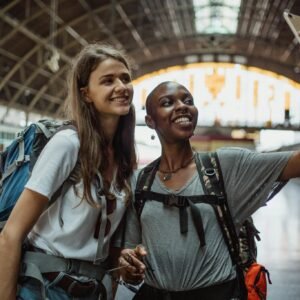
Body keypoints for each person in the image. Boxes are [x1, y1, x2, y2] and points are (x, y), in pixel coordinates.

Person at [117, 81, 300, 300]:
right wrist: (129, 268)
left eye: (188, 101)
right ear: (150, 121)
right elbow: (129, 257)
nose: (182, 106)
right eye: (167, 102)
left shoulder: (226, 166)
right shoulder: (138, 183)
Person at [0, 43, 136, 300]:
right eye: (108, 81)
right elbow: (11, 235)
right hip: (44, 288)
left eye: (125, 78)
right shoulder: (68, 145)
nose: (121, 86)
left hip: (92, 290)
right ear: (86, 94)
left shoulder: (123, 158)